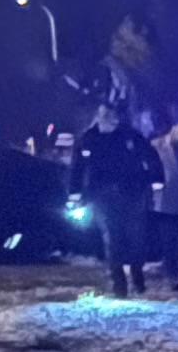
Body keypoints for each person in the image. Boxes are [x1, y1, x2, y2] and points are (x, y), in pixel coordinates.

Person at [69, 102, 162, 298]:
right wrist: (74, 193)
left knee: (136, 237)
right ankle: (119, 282)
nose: (108, 119)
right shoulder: (88, 139)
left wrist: (156, 181)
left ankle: (137, 273)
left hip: (132, 194)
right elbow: (77, 167)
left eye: (111, 115)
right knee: (112, 238)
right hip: (102, 197)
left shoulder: (130, 135)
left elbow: (150, 155)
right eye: (104, 115)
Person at [146, 109, 178, 288]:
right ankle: (171, 275)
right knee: (168, 241)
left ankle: (175, 273)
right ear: (172, 128)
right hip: (162, 204)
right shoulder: (156, 147)